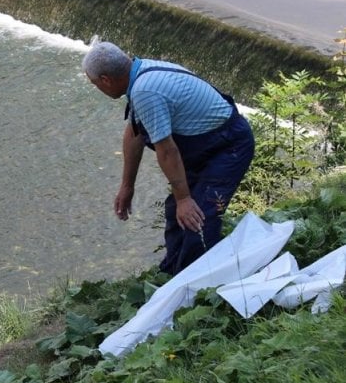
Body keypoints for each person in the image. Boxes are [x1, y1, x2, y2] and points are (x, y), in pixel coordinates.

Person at [82, 41, 255, 275]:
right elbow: (135, 133)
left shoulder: (145, 91)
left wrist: (185, 198)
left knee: (199, 217)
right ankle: (172, 274)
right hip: (207, 146)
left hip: (228, 147)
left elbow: (167, 151)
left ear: (105, 80)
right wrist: (127, 186)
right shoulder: (140, 73)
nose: (97, 88)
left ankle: (199, 287)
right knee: (176, 210)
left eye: (94, 84)